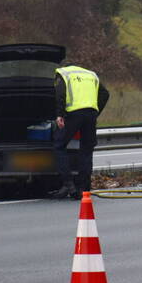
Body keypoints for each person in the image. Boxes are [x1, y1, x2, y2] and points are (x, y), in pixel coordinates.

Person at [51, 62, 109, 198]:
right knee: (86, 150)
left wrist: (59, 114)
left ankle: (68, 184)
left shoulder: (64, 74)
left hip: (73, 115)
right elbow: (105, 94)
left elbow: (60, 94)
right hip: (90, 115)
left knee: (59, 145)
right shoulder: (90, 75)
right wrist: (95, 112)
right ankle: (84, 189)